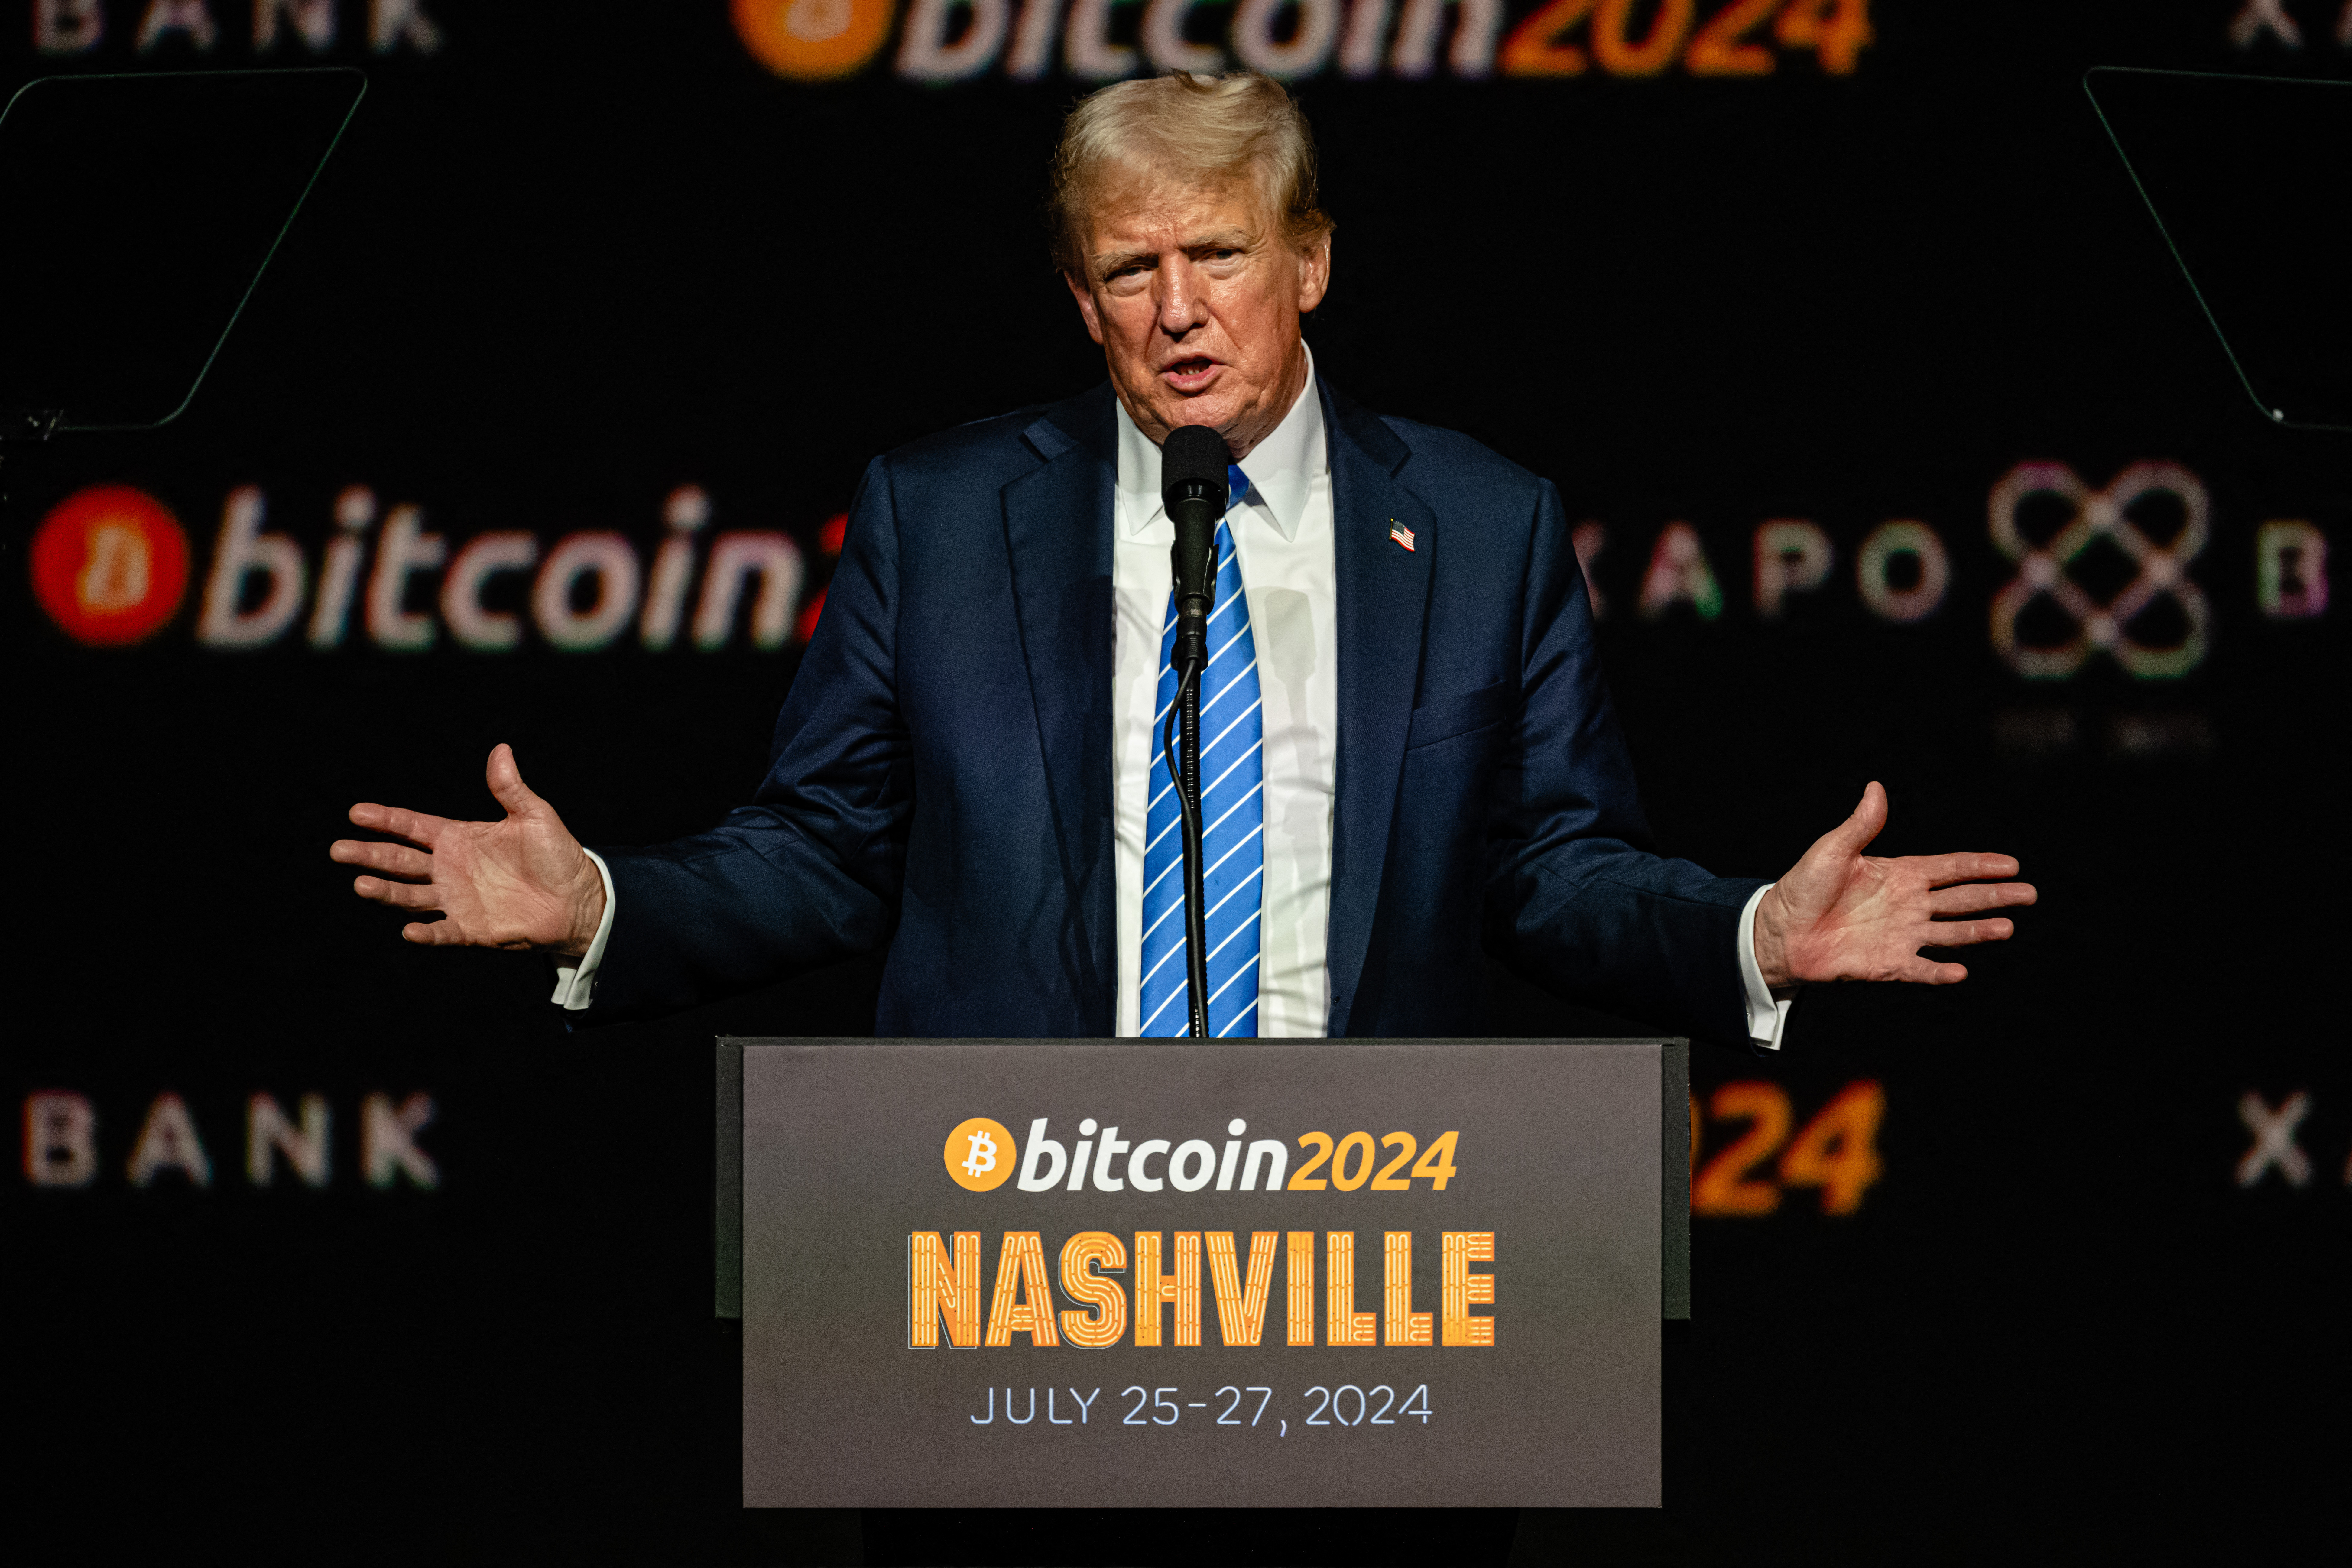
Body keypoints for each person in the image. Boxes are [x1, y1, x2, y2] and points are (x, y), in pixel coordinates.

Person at [330, 71, 2033, 1045]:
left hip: (1371, 1251)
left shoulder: (1482, 518)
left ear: (1307, 261)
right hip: (1007, 1240)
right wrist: (606, 903)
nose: (1176, 309)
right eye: (1127, 269)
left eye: (1216, 252)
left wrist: (1745, 928)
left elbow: (1547, 867)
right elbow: (827, 850)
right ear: (1079, 300)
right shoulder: (940, 513)